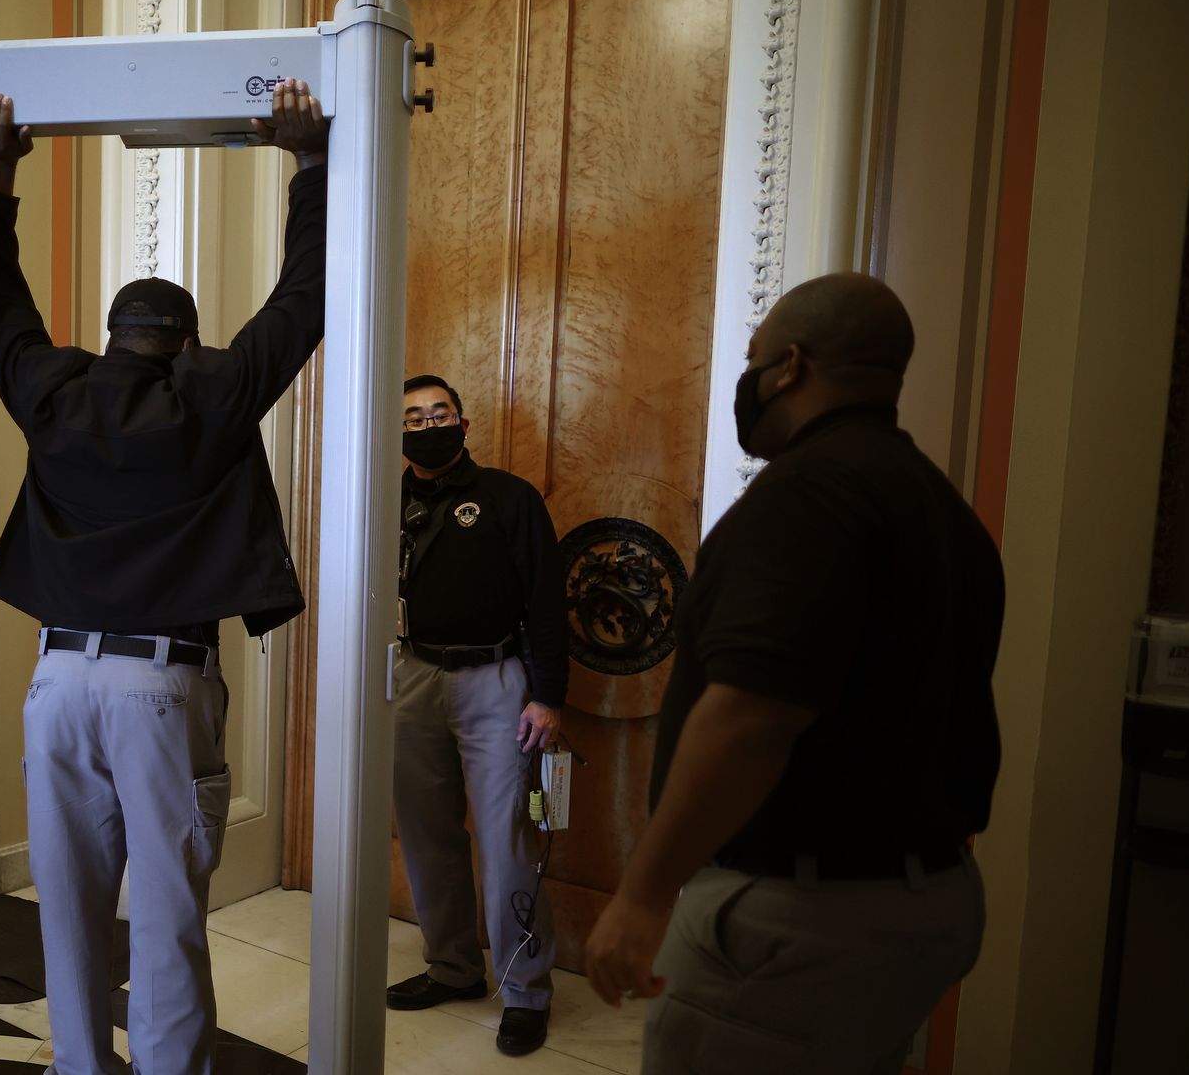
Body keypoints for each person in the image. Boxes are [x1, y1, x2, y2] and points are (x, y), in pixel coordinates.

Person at [0, 84, 327, 1075]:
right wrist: (310, 162)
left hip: (57, 684)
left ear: (113, 335)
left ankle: (81, 1067)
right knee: (165, 915)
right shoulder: (217, 392)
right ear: (187, 342)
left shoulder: (54, 392)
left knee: (67, 906)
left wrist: (0, 170)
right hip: (161, 685)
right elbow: (303, 301)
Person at [581, 273, 1003, 1074]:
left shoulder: (807, 496)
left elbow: (752, 717)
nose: (748, 381)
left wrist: (643, 894)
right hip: (926, 898)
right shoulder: (943, 510)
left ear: (790, 367)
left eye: (753, 360)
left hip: (797, 920)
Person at [386, 374, 569, 1057]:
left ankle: (526, 991)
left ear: (462, 425)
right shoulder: (384, 500)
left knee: (507, 842)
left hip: (496, 682)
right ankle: (453, 968)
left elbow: (546, 600)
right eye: (413, 416)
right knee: (425, 832)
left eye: (440, 414)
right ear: (398, 430)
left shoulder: (509, 498)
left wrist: (548, 697)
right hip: (413, 676)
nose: (427, 424)